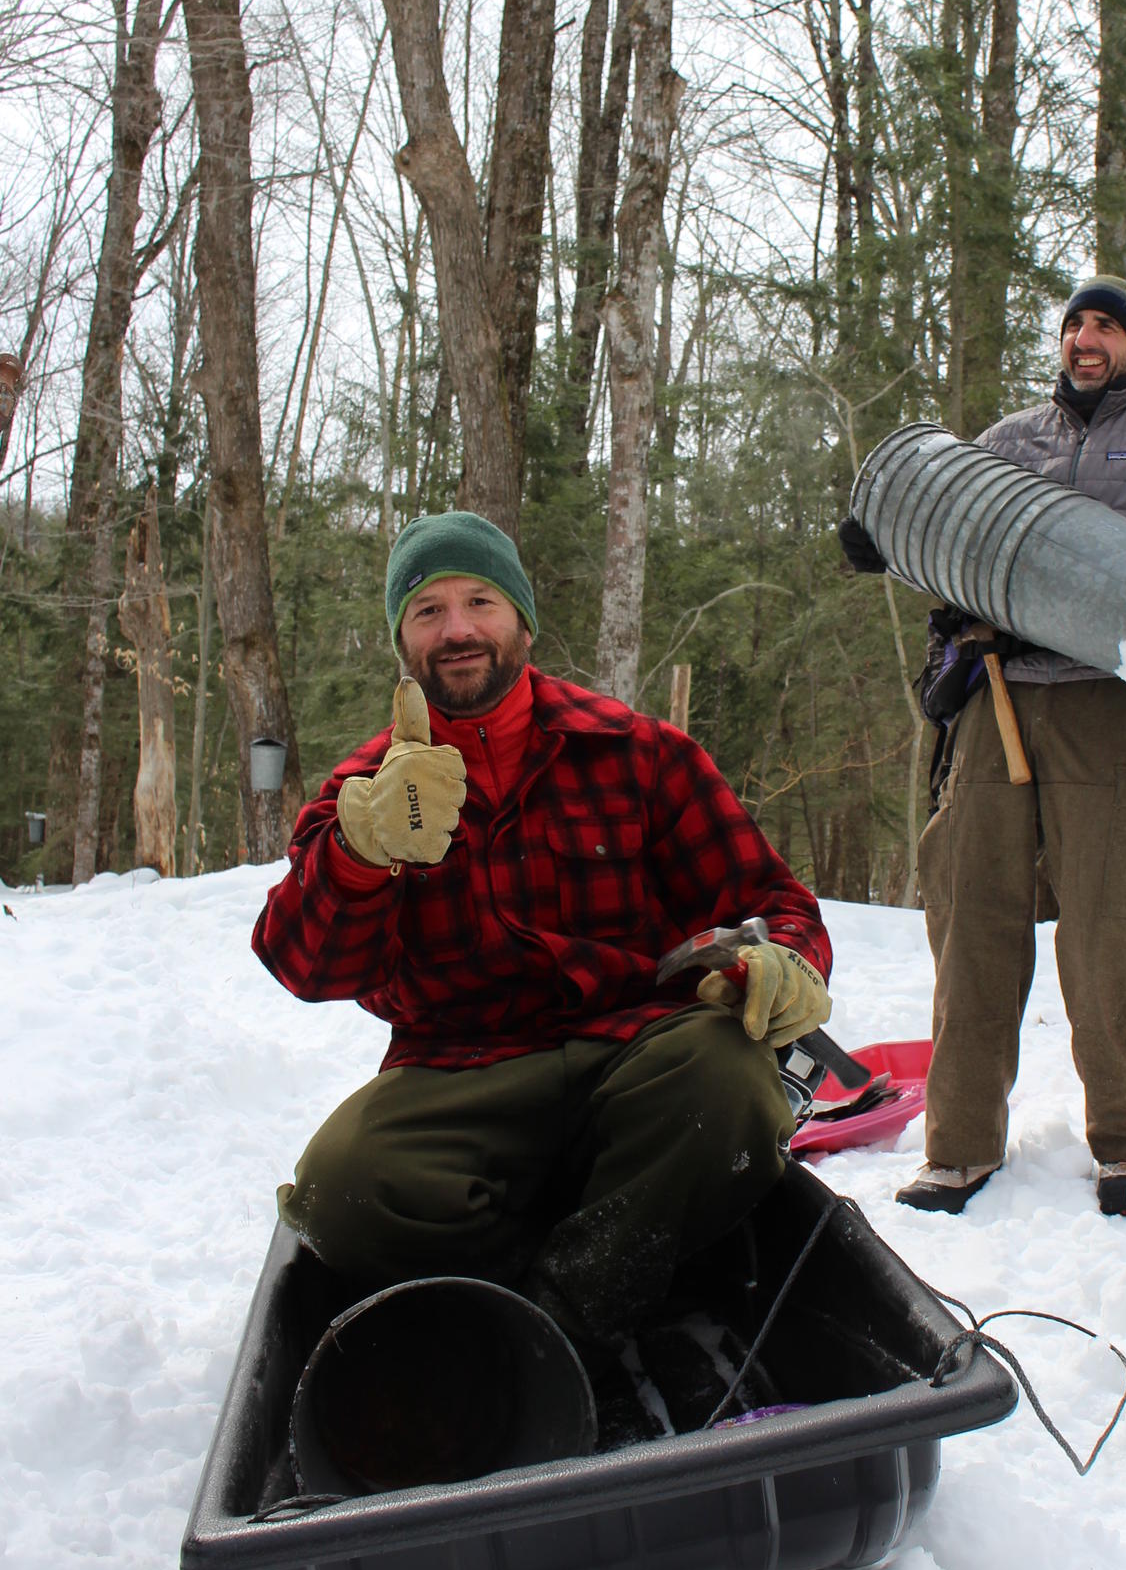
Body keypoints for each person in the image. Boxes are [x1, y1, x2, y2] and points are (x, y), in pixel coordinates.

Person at [254, 510, 832, 1357]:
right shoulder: (364, 791)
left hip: (633, 1052)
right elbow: (303, 965)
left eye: (480, 601)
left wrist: (785, 957)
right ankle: (551, 1296)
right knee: (343, 1190)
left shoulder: (640, 755)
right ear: (402, 643)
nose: (457, 630)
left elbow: (772, 899)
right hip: (458, 1071)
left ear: (523, 619)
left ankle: (562, 1321)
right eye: (428, 611)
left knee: (728, 1078)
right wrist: (355, 855)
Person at [839, 275, 1126, 1220]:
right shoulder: (1007, 443)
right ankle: (956, 1148)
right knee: (972, 917)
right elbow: (948, 529)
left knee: (1110, 929)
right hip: (997, 692)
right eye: (1075, 323)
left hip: (1110, 701)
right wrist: (887, 541)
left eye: (1106, 326)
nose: (1085, 337)